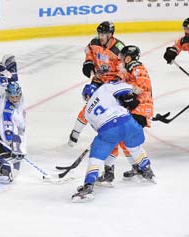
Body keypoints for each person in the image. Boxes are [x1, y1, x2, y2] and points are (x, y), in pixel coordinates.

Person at [71, 82, 155, 202]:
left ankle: (89, 186)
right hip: (127, 121)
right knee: (135, 148)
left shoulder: (87, 112)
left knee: (96, 156)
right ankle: (147, 170)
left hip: (108, 129)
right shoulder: (105, 88)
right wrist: (131, 95)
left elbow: (98, 128)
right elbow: (128, 88)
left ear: (86, 96)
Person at [68, 21, 129, 185]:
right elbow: (88, 51)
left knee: (110, 119)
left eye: (103, 34)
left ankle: (111, 168)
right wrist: (88, 62)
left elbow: (124, 71)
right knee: (89, 107)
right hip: (97, 81)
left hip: (112, 85)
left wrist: (119, 87)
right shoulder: (94, 43)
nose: (100, 37)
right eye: (99, 33)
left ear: (110, 34)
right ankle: (75, 133)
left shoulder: (119, 49)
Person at [118, 45, 154, 178]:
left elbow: (143, 87)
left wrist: (127, 92)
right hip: (135, 109)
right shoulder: (128, 70)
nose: (121, 59)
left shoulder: (137, 67)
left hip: (140, 109)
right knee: (125, 139)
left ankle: (145, 168)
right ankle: (138, 166)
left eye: (123, 57)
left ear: (128, 57)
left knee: (130, 140)